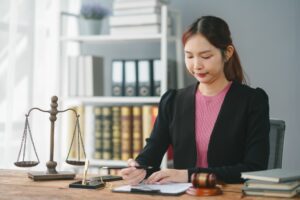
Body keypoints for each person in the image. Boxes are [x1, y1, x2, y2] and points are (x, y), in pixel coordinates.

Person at [120, 16, 270, 185]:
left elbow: (255, 168)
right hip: (184, 195)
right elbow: (152, 152)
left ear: (227, 53)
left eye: (205, 56)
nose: (196, 65)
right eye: (189, 56)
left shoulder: (252, 100)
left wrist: (189, 175)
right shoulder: (173, 101)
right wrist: (139, 167)